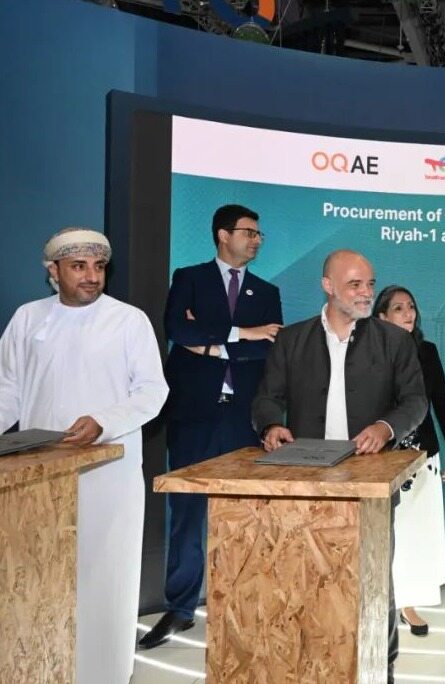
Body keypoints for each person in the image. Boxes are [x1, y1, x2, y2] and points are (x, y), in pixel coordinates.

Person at [0, 228, 168, 683]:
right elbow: (8, 391)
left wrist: (103, 422)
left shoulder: (128, 320)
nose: (92, 276)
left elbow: (152, 391)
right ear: (53, 272)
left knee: (104, 577)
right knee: (41, 575)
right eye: (79, 267)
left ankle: (105, 674)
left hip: (109, 474)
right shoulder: (28, 318)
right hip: (40, 478)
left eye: (99, 267)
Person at [252, 249, 428, 682]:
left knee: (374, 577)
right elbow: (267, 398)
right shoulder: (292, 340)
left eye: (370, 284)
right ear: (328, 286)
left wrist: (386, 427)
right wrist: (271, 425)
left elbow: (415, 401)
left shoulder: (394, 341)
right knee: (306, 574)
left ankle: (381, 666)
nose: (366, 293)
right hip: (305, 479)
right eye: (355, 284)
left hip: (370, 479)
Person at [140, 204, 283, 649]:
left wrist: (211, 344)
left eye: (259, 234)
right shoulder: (189, 278)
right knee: (186, 514)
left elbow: (269, 347)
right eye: (249, 232)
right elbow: (176, 331)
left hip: (243, 418)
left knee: (244, 516)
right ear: (223, 235)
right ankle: (181, 609)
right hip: (193, 415)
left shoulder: (267, 291)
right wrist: (242, 334)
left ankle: (239, 605)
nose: (256, 240)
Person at [374, 285, 445, 637]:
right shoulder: (365, 352)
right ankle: (380, 600)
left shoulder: (426, 351)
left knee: (416, 531)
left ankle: (407, 602)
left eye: (410, 306)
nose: (408, 313)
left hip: (421, 454)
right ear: (381, 316)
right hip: (379, 457)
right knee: (384, 532)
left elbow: (443, 401)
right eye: (398, 308)